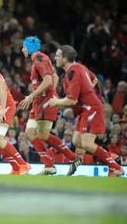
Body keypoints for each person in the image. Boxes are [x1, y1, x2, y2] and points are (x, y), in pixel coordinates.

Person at [48, 45, 125, 177]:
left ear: (65, 59)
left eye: (58, 56)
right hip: (85, 111)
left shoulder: (73, 73)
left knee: (87, 144)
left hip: (91, 109)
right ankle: (111, 156)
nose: (55, 58)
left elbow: (71, 101)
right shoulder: (80, 67)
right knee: (77, 142)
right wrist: (86, 91)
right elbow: (94, 80)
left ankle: (116, 167)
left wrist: (56, 101)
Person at [19, 36, 81, 175]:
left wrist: (34, 96)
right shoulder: (38, 60)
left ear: (30, 47)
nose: (22, 49)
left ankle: (73, 157)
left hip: (45, 101)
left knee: (44, 135)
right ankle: (49, 166)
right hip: (40, 101)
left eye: (24, 46)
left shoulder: (40, 59)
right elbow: (55, 77)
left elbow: (48, 81)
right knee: (30, 132)